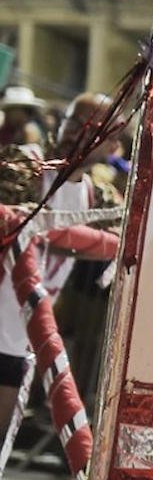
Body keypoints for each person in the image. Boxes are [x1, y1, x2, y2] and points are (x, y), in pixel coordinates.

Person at [0, 92, 124, 458]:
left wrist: (70, 242)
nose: (76, 133)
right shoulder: (25, 165)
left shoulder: (97, 198)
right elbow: (18, 225)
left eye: (92, 128)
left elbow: (129, 236)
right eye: (72, 122)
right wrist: (79, 242)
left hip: (18, 342)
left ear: (112, 147)